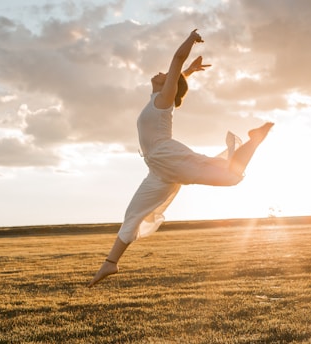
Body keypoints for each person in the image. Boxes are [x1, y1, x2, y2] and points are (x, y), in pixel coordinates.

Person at [88, 29, 273, 288]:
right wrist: (190, 72)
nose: (161, 74)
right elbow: (177, 77)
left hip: (168, 157)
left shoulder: (163, 101)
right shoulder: (159, 97)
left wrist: (190, 41)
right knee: (133, 214)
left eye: (167, 77)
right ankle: (111, 263)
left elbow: (175, 61)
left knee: (230, 175)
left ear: (169, 86)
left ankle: (255, 139)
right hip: (158, 169)